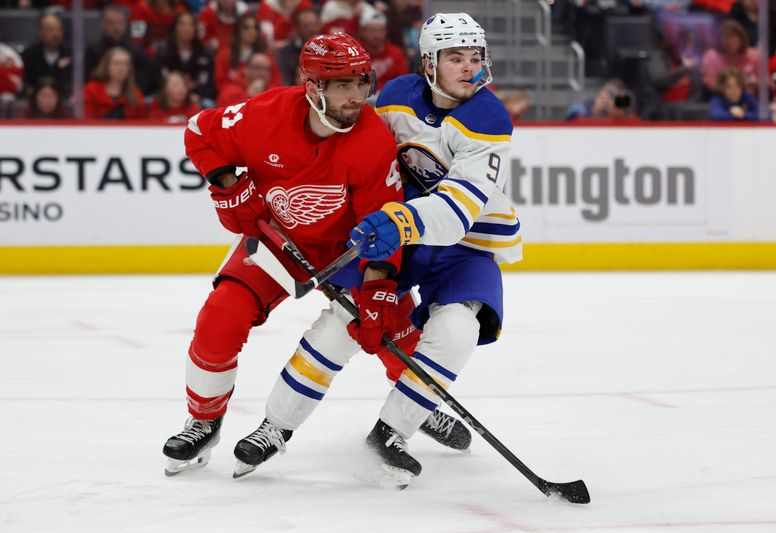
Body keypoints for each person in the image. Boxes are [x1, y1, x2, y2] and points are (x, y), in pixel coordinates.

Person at [161, 32, 467, 478]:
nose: (357, 96)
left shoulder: (372, 140)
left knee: (394, 334)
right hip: (276, 242)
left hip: (349, 251)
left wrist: (379, 288)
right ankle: (203, 421)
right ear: (312, 87)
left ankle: (417, 408)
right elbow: (198, 132)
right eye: (343, 85)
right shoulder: (262, 115)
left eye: (363, 82)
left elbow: (384, 226)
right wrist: (229, 185)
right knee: (219, 317)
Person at [236, 12, 518, 489]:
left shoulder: (488, 116)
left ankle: (391, 435)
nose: (470, 68)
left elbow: (459, 210)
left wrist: (398, 219)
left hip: (465, 246)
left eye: (476, 57)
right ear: (429, 63)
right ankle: (274, 427)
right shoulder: (396, 97)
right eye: (456, 58)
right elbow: (365, 159)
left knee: (455, 330)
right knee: (341, 325)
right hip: (395, 238)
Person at [155, 12, 216, 107]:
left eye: (190, 25)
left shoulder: (205, 55)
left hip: (197, 98)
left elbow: (209, 85)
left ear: (195, 29)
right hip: (168, 99)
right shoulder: (163, 54)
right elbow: (157, 81)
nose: (186, 29)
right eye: (182, 24)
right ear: (175, 28)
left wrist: (195, 96)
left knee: (209, 104)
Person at [84, 47, 146, 119]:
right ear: (107, 66)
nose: (121, 68)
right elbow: (86, 120)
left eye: (125, 64)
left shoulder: (136, 94)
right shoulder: (90, 90)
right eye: (116, 63)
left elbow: (141, 124)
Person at [22, 14, 72, 99]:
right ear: (40, 32)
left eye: (59, 29)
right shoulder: (30, 55)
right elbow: (25, 83)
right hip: (36, 105)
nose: (56, 34)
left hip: (64, 103)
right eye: (50, 29)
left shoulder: (70, 55)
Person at [358, 5, 408, 93]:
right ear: (363, 32)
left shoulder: (396, 52)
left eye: (380, 31)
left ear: (385, 31)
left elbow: (402, 82)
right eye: (372, 31)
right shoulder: (356, 54)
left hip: (390, 98)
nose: (376, 35)